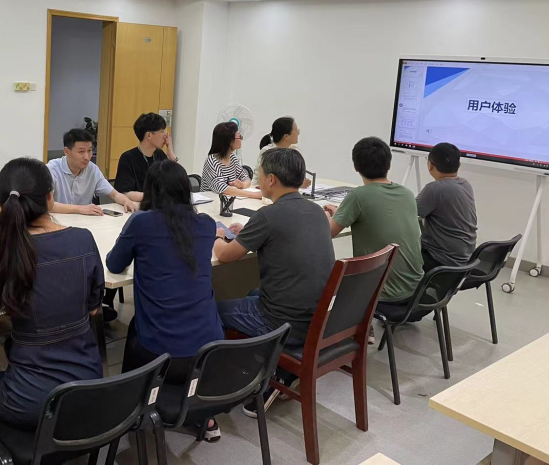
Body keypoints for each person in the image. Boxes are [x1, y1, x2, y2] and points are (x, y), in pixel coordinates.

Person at [0, 158, 104, 429]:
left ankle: (23, 440)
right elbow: (93, 307)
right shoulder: (83, 239)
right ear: (50, 197)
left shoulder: (5, 249)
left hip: (31, 403)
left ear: (4, 204)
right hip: (89, 389)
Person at [107, 160, 223, 441]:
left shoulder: (141, 222)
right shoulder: (207, 225)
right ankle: (203, 414)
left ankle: (127, 410)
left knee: (135, 328)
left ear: (150, 191)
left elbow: (113, 263)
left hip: (161, 356)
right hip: (209, 353)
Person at [214, 148, 334, 416]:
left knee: (213, 311)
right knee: (252, 292)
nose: (258, 177)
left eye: (260, 173)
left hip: (281, 321)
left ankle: (231, 384)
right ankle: (276, 369)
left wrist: (217, 235)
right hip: (317, 319)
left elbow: (224, 256)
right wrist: (248, 232)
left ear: (271, 179)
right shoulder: (316, 211)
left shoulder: (268, 216)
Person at [324, 137, 423, 306]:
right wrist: (342, 213)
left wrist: (326, 216)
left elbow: (327, 234)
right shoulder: (407, 194)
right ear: (389, 165)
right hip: (416, 290)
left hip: (381, 294)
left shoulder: (358, 196)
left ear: (356, 167)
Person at [416, 143, 478, 271]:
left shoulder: (434, 189)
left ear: (430, 165)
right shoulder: (465, 184)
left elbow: (408, 211)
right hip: (465, 259)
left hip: (440, 260)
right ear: (459, 165)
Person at [47, 128, 138, 215]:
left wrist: (126, 201)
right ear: (66, 151)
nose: (87, 157)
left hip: (85, 220)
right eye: (81, 152)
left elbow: (114, 194)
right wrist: (80, 209)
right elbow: (47, 205)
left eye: (89, 150)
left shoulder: (92, 170)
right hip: (57, 220)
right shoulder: (52, 169)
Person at [114, 113, 179, 203]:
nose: (166, 136)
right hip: (138, 206)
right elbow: (124, 193)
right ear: (149, 135)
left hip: (159, 205)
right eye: (162, 131)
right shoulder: (128, 158)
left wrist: (171, 154)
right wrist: (154, 197)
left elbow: (178, 181)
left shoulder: (159, 154)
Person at [201, 122, 260, 199]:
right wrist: (254, 195)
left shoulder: (232, 158)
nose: (241, 139)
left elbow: (247, 179)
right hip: (211, 201)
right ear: (229, 141)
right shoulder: (212, 161)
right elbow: (222, 189)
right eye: (239, 137)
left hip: (229, 201)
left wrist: (242, 184)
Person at [255, 117, 311, 189]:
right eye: (296, 130)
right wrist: (296, 184)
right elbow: (262, 179)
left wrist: (302, 181)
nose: (298, 133)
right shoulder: (268, 152)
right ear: (286, 136)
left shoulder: (295, 151)